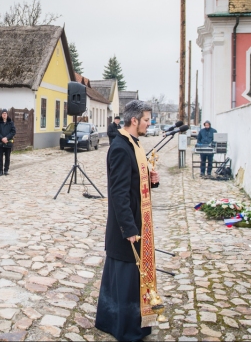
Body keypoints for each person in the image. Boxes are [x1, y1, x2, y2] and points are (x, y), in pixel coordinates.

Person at [96, 100, 160, 342]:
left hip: (136, 220)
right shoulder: (121, 148)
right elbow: (119, 193)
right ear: (134, 121)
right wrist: (129, 228)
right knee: (124, 278)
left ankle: (123, 321)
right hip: (127, 226)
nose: (148, 123)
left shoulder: (134, 144)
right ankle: (125, 327)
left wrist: (152, 179)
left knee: (125, 277)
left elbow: (136, 184)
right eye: (146, 120)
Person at [0, 109, 16, 176]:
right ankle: (0, 170)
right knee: (0, 157)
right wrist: (2, 138)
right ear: (1, 114)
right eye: (3, 113)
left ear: (7, 114)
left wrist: (7, 138)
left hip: (8, 142)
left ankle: (6, 170)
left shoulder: (10, 123)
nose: (4, 114)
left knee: (7, 157)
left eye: (5, 113)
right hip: (0, 143)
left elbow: (13, 131)